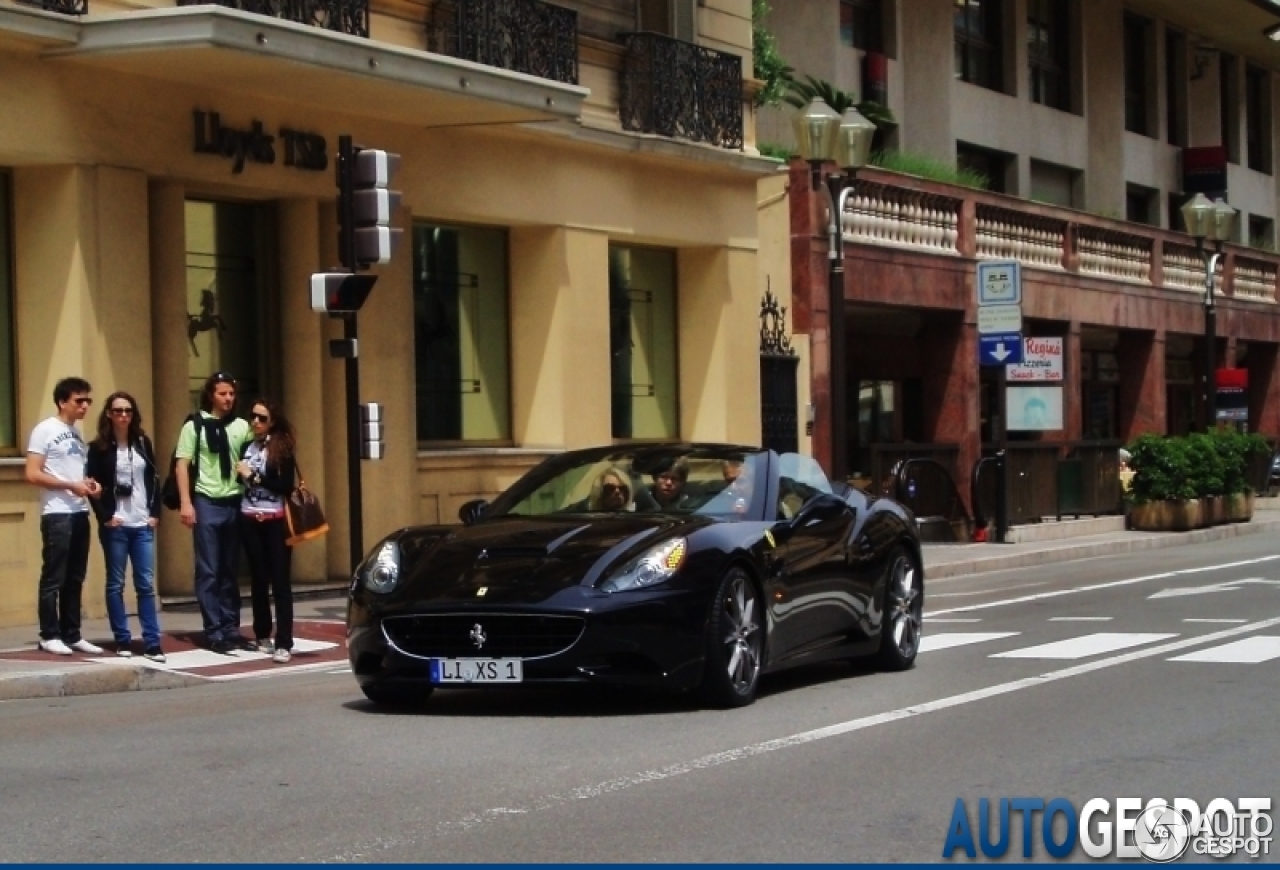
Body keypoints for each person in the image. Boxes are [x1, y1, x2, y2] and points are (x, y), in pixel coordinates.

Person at [24, 377, 103, 656]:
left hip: (79, 511)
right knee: (54, 576)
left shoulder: (76, 434)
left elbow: (71, 472)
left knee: (75, 577)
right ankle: (49, 634)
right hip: (57, 513)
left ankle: (72, 633)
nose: (84, 406)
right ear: (62, 402)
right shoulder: (44, 430)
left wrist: (88, 484)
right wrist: (70, 485)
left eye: (88, 401)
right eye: (79, 401)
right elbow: (32, 473)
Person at [175, 372, 252, 655]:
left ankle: (231, 627)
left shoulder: (243, 426)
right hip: (206, 501)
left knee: (230, 570)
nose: (228, 398)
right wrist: (186, 503)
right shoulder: (194, 425)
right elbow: (181, 465)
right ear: (211, 395)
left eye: (231, 393)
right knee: (209, 569)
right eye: (222, 393)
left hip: (235, 501)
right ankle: (214, 630)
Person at [85, 392, 166, 662]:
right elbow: (90, 486)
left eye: (128, 411)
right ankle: (122, 640)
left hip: (142, 523)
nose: (123, 416)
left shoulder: (142, 442)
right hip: (116, 525)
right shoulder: (98, 448)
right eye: (118, 411)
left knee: (145, 584)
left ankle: (152, 642)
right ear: (108, 413)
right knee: (116, 584)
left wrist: (155, 513)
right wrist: (105, 516)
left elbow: (154, 480)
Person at [236, 398, 297, 664]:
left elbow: (285, 485)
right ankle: (262, 633)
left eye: (262, 418)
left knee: (280, 581)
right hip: (250, 517)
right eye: (253, 417)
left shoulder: (281, 449)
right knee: (258, 579)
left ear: (272, 421)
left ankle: (284, 641)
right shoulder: (246, 447)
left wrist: (254, 477)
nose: (256, 422)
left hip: (275, 520)